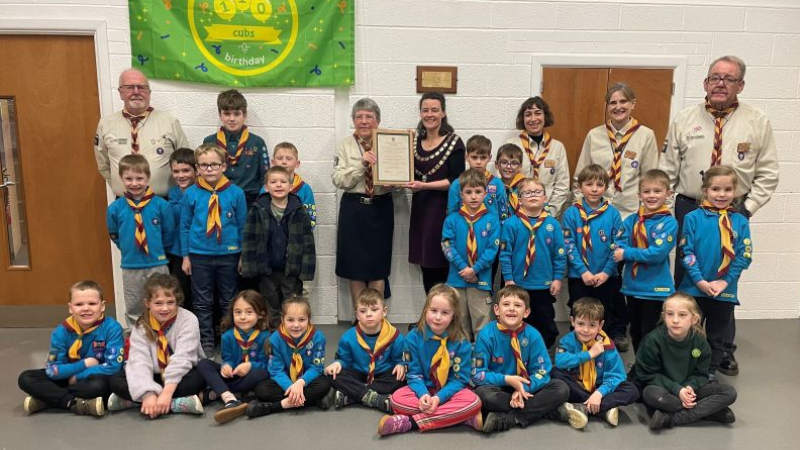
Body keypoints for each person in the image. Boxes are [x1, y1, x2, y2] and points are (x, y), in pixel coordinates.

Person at [660, 55, 778, 376]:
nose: (720, 84)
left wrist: (746, 210)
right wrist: (663, 210)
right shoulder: (685, 119)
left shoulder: (756, 121)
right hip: (690, 207)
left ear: (740, 85)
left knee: (725, 277)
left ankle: (722, 349)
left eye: (728, 78)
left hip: (734, 211)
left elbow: (768, 174)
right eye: (715, 78)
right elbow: (668, 169)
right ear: (705, 83)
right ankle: (683, 342)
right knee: (689, 276)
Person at [473, 286, 585, 433]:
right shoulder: (486, 335)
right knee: (484, 395)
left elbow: (542, 371)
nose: (511, 309)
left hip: (528, 386)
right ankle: (550, 410)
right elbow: (478, 374)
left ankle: (510, 419)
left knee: (561, 388)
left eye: (517, 305)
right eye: (506, 304)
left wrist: (523, 388)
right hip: (499, 386)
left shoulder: (533, 335)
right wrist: (508, 380)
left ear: (526, 312)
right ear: (496, 310)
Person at [378, 284, 482, 436]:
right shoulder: (412, 338)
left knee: (473, 401)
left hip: (450, 392)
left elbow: (459, 380)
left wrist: (439, 398)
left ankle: (409, 423)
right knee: (396, 399)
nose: (438, 317)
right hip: (422, 390)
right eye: (433, 311)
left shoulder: (462, 342)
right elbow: (413, 374)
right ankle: (460, 417)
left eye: (445, 312)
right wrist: (423, 395)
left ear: (454, 315)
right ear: (426, 310)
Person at [678, 166, 752, 377]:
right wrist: (699, 281)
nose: (721, 194)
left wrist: (725, 281)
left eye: (727, 189)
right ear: (705, 190)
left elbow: (744, 255)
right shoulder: (693, 218)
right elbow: (686, 252)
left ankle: (708, 373)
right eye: (715, 189)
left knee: (716, 336)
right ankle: (690, 370)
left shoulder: (740, 221)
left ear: (735, 192)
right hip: (694, 288)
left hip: (724, 291)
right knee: (691, 333)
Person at [18, 281, 123, 417]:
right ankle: (73, 403)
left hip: (96, 376)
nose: (86, 308)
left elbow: (113, 367)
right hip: (68, 375)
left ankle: (48, 399)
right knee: (26, 378)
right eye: (79, 304)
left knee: (99, 386)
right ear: (70, 308)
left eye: (92, 303)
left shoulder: (112, 328)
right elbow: (52, 370)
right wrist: (84, 364)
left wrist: (78, 376)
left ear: (102, 306)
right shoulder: (61, 332)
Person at [180, 144, 248, 355]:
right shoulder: (191, 194)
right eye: (204, 165)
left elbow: (243, 226)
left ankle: (228, 337)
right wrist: (185, 256)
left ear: (223, 166)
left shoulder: (236, 193)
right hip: (199, 255)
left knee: (229, 299)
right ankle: (206, 339)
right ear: (197, 168)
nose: (209, 169)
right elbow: (184, 226)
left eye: (214, 165)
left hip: (229, 254)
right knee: (201, 301)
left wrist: (242, 255)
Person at [108, 274, 206, 418]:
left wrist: (166, 393)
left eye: (170, 302)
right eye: (158, 303)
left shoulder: (188, 320)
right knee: (116, 380)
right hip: (154, 374)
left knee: (200, 378)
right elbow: (138, 361)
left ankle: (137, 402)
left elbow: (184, 358)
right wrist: (148, 394)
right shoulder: (141, 325)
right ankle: (171, 403)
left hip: (182, 374)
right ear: (148, 303)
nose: (165, 308)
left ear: (177, 302)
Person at [635, 293, 737, 430]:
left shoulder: (701, 343)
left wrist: (690, 387)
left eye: (682, 315)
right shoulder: (652, 341)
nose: (675, 320)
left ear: (694, 319)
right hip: (663, 389)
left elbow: (701, 374)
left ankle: (672, 418)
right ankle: (708, 411)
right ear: (664, 316)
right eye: (670, 314)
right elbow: (647, 375)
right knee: (651, 395)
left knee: (729, 392)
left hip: (691, 390)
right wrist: (677, 390)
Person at [332, 99, 394, 309]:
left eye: (369, 117)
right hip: (354, 209)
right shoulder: (345, 145)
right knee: (354, 267)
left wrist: (394, 182)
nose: (364, 121)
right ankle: (359, 318)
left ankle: (375, 318)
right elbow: (339, 180)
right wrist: (362, 164)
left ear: (378, 121)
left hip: (381, 207)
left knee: (379, 266)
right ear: (353, 120)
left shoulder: (389, 143)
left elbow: (401, 178)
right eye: (359, 117)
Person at [405, 92, 466, 294]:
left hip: (442, 210)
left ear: (443, 113)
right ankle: (432, 314)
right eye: (425, 110)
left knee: (440, 261)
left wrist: (424, 186)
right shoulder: (413, 142)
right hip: (420, 209)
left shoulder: (454, 143)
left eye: (434, 110)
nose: (429, 114)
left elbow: (456, 180)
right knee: (425, 262)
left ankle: (445, 316)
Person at [94, 68, 190, 197]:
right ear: (120, 93)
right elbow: (103, 164)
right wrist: (119, 185)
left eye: (142, 87)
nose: (136, 92)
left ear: (149, 92)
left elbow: (186, 160)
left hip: (163, 203)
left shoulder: (170, 122)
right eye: (129, 87)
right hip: (124, 204)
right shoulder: (106, 124)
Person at [241, 166, 316, 328]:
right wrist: (249, 266)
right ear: (266, 187)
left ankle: (292, 334)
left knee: (291, 304)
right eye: (273, 182)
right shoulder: (257, 209)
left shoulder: (299, 210)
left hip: (291, 270)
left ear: (290, 186)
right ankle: (275, 336)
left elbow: (308, 243)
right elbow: (249, 239)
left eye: (283, 182)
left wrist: (306, 271)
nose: (279, 185)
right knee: (270, 304)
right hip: (267, 269)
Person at [562, 164, 626, 350]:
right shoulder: (572, 213)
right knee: (579, 309)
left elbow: (618, 245)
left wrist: (606, 272)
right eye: (589, 184)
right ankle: (575, 347)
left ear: (606, 188)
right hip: (579, 276)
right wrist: (583, 271)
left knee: (603, 310)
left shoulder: (613, 214)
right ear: (579, 187)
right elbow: (569, 244)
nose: (594, 189)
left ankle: (601, 347)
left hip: (606, 275)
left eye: (599, 185)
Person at [107, 154, 175, 327]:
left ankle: (164, 336)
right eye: (128, 178)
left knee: (162, 302)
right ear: (121, 178)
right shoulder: (116, 208)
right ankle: (135, 339)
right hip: (131, 266)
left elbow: (168, 234)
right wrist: (129, 250)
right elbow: (114, 234)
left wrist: (158, 250)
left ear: (148, 178)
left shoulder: (161, 205)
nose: (134, 183)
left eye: (139, 178)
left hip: (157, 264)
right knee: (134, 305)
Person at [613, 169, 677, 352]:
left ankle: (652, 369)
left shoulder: (669, 223)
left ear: (668, 194)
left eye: (657, 191)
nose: (652, 196)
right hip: (633, 286)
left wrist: (627, 254)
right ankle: (641, 367)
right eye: (647, 191)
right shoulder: (631, 220)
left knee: (651, 333)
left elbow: (656, 254)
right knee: (635, 331)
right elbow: (619, 243)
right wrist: (624, 250)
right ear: (639, 195)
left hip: (656, 289)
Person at [575, 82, 659, 219]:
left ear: (633, 104)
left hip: (630, 214)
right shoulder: (594, 135)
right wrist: (579, 211)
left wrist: (646, 215)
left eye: (623, 101)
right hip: (596, 212)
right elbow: (580, 177)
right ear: (607, 106)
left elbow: (651, 180)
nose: (618, 107)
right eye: (613, 103)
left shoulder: (646, 136)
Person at [500, 178, 566, 348]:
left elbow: (560, 255)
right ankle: (518, 352)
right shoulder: (510, 224)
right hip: (518, 284)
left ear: (545, 198)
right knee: (518, 321)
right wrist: (508, 279)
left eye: (537, 192)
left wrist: (558, 278)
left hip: (543, 285)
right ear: (519, 200)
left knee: (545, 322)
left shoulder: (553, 225)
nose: (533, 195)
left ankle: (545, 353)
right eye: (527, 193)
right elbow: (505, 254)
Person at [553, 297, 640, 427]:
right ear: (572, 321)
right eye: (581, 324)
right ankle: (603, 410)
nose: (585, 330)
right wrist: (589, 354)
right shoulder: (568, 341)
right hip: (577, 385)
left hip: (600, 385)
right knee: (554, 373)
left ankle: (582, 407)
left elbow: (617, 375)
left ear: (600, 325)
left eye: (592, 325)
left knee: (632, 390)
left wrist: (599, 393)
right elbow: (560, 362)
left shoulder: (607, 344)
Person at [246, 295, 332, 417]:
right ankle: (312, 400)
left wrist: (300, 383)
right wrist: (292, 388)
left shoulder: (318, 337)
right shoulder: (274, 339)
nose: (296, 325)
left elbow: (317, 368)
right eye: (290, 320)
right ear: (282, 319)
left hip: (307, 380)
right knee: (262, 389)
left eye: (302, 320)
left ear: (309, 319)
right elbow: (276, 371)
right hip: (284, 381)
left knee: (325, 384)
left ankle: (276, 406)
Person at [441, 169, 500, 340]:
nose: (473, 196)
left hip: (480, 281)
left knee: (482, 322)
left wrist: (475, 270)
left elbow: (492, 250)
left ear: (485, 192)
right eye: (468, 192)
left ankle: (482, 360)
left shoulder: (492, 220)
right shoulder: (452, 220)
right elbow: (447, 245)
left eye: (478, 192)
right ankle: (463, 359)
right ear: (461, 195)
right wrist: (464, 269)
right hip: (456, 279)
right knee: (459, 324)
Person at [324, 288, 405, 412]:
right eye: (363, 311)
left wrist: (400, 364)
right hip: (358, 374)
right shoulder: (348, 336)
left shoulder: (395, 336)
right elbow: (344, 360)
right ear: (357, 314)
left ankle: (352, 396)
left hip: (383, 375)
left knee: (403, 376)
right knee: (333, 375)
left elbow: (400, 359)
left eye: (374, 310)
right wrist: (338, 363)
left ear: (384, 312)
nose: (368, 314)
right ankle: (376, 399)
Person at [197, 290, 271, 424]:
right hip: (233, 376)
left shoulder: (265, 336)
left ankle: (216, 393)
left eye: (249, 312)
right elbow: (228, 358)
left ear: (261, 314)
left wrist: (250, 365)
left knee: (262, 373)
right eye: (238, 312)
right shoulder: (228, 336)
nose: (243, 317)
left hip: (251, 376)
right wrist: (227, 366)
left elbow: (268, 364)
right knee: (204, 363)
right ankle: (229, 398)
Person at [203, 89, 269, 206]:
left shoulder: (257, 143)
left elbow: (265, 177)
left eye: (237, 113)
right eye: (227, 114)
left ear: (244, 115)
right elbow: (203, 175)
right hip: (219, 200)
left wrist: (261, 203)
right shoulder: (209, 142)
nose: (232, 118)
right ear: (220, 115)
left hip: (250, 201)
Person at [507, 97, 569, 217]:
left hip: (548, 215)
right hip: (517, 215)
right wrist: (516, 211)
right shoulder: (511, 145)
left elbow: (563, 185)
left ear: (545, 116)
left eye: (538, 113)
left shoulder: (557, 147)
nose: (533, 119)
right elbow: (504, 183)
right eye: (528, 114)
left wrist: (549, 212)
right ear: (522, 118)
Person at [447, 135, 509, 220]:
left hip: (492, 232)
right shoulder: (457, 184)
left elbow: (503, 215)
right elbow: (452, 215)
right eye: (474, 157)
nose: (478, 162)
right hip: (465, 231)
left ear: (489, 158)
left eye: (483, 157)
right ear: (466, 157)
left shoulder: (497, 184)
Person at [166, 148, 197, 312]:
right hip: (178, 252)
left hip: (199, 250)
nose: (181, 175)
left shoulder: (202, 192)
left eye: (186, 170)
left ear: (196, 170)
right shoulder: (172, 194)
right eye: (176, 171)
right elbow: (176, 216)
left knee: (199, 293)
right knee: (182, 292)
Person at [271, 142, 316, 229]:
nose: (284, 162)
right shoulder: (267, 189)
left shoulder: (305, 189)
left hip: (297, 238)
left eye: (289, 158)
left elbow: (311, 220)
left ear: (297, 163)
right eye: (280, 158)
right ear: (273, 162)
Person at [495, 143, 526, 212]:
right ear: (496, 165)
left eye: (514, 163)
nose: (508, 167)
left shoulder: (527, 187)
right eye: (504, 162)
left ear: (520, 167)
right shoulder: (493, 187)